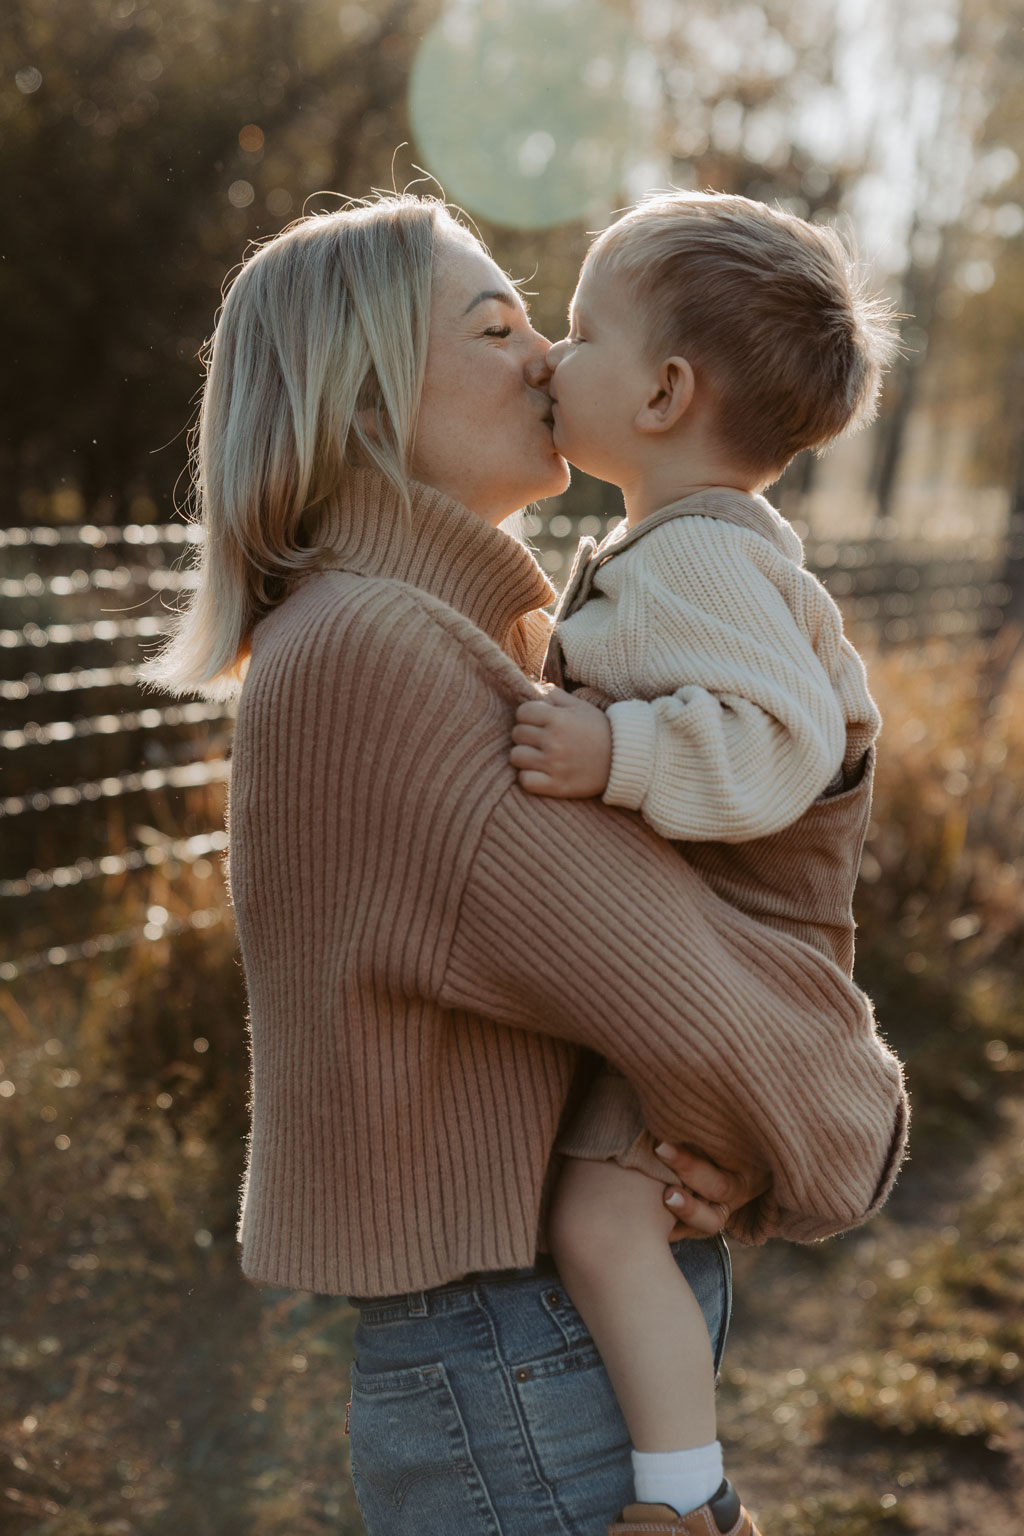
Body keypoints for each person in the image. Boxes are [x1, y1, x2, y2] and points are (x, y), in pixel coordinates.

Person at [142, 192, 908, 1536]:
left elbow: (629, 985)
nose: (545, 359)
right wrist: (834, 1121)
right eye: (499, 327)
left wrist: (709, 1134)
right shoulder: (380, 655)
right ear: (368, 393)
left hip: (529, 1331)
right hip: (510, 1352)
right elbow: (680, 983)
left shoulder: (457, 631)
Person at [508, 192, 901, 1535]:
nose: (550, 360)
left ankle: (688, 1504)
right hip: (706, 962)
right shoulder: (682, 550)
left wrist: (612, 752)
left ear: (668, 391)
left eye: (577, 330)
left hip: (743, 969)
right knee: (616, 1222)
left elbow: (778, 746)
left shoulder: (703, 563)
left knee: (603, 1228)